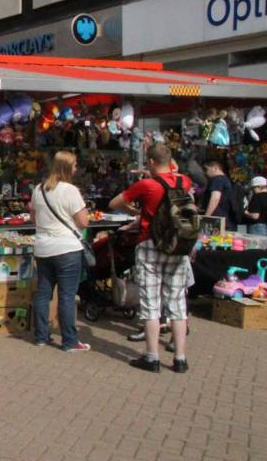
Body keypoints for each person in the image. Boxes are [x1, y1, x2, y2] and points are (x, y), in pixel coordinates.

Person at [109, 143, 193, 373]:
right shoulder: (184, 181)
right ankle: (180, 358)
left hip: (150, 244)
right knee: (176, 302)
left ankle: (152, 356)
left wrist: (135, 211)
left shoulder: (146, 185)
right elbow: (171, 171)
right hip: (177, 246)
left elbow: (114, 203)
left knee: (151, 302)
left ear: (151, 162)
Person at [31, 150, 91, 352]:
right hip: (66, 248)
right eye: (74, 165)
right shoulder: (70, 190)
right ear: (67, 167)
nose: (76, 169)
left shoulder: (38, 189)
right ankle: (70, 341)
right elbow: (83, 221)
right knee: (66, 295)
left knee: (43, 293)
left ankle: (40, 336)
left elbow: (34, 217)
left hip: (43, 247)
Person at [202, 160, 234, 230]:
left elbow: (215, 198)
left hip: (215, 219)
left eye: (206, 169)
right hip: (224, 219)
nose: (205, 172)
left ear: (215, 168)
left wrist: (206, 217)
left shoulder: (217, 179)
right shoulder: (225, 180)